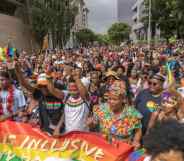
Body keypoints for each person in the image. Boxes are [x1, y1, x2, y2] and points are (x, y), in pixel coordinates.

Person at [87, 80, 142, 149]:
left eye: (115, 99)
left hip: (123, 149)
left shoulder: (132, 113)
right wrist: (91, 124)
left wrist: (136, 141)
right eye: (109, 99)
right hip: (103, 148)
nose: (111, 102)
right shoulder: (101, 109)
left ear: (123, 99)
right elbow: (93, 127)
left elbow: (138, 130)